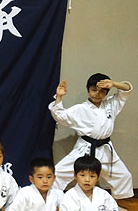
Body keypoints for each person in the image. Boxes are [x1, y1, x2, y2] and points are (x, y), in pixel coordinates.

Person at [49, 74, 133, 204]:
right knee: (59, 172)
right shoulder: (80, 109)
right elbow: (60, 116)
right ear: (88, 90)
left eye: (102, 91)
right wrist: (59, 96)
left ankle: (114, 204)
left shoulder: (111, 105)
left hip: (105, 149)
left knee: (123, 175)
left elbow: (126, 89)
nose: (97, 94)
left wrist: (114, 84)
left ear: (106, 93)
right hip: (85, 148)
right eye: (94, 90)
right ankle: (52, 201)